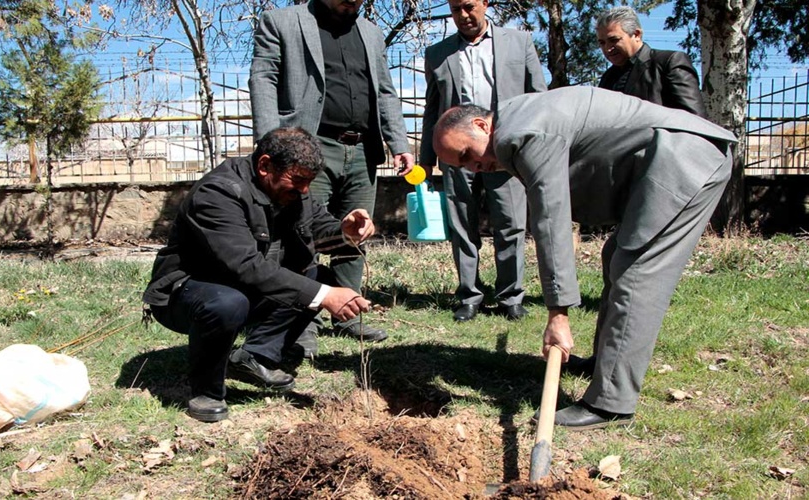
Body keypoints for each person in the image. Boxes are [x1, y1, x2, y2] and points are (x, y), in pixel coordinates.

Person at [432, 87, 736, 429]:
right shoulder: (517, 117)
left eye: (467, 155)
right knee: (616, 257)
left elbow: (551, 219)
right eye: (464, 166)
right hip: (676, 155)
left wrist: (557, 314)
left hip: (684, 159)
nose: (476, 168)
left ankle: (610, 404)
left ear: (481, 125)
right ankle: (605, 364)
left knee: (636, 272)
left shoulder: (522, 134)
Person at [143, 127, 376, 423]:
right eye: (299, 180)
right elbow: (246, 265)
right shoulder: (219, 193)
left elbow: (318, 228)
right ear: (265, 165)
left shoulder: (292, 190)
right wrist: (325, 296)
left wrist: (345, 231)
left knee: (319, 277)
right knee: (229, 302)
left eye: (309, 182)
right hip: (186, 294)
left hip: (241, 287)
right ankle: (206, 390)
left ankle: (256, 356)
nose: (305, 190)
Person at [249, 0, 414, 342]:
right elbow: (263, 78)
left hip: (362, 148)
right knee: (300, 235)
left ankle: (348, 313)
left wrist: (399, 142)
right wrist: (271, 142)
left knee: (355, 232)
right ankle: (301, 322)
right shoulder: (281, 22)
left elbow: (385, 90)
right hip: (309, 146)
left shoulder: (370, 32)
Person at [419, 0, 547, 322]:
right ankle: (469, 296)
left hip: (505, 153)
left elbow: (539, 100)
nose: (463, 15)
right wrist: (427, 160)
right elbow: (432, 110)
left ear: (485, 3)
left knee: (511, 225)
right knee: (462, 226)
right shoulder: (437, 53)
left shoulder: (520, 43)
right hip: (457, 156)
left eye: (469, 6)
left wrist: (534, 149)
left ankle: (511, 296)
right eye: (455, 9)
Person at [596, 6, 706, 117]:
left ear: (636, 34)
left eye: (614, 40)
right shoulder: (608, 78)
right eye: (602, 42)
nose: (607, 48)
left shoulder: (668, 62)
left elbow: (695, 120)